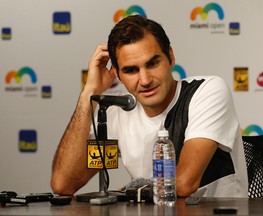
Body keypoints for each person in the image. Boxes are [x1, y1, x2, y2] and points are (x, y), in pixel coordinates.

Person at [50, 15, 248, 198]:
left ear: (170, 56)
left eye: (152, 64)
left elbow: (183, 183)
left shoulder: (206, 92)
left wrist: (131, 190)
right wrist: (89, 93)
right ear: (117, 75)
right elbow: (63, 184)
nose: (144, 80)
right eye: (131, 70)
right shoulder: (117, 113)